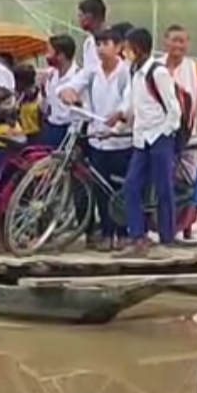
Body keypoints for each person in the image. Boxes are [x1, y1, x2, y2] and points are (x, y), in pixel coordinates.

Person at [59, 27, 133, 251]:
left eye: (106, 44)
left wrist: (119, 116)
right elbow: (69, 87)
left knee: (121, 188)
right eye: (98, 44)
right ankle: (107, 233)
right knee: (100, 188)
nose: (101, 49)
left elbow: (130, 101)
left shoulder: (126, 72)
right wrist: (67, 93)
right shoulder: (91, 72)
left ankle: (124, 233)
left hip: (121, 140)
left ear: (119, 47)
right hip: (97, 139)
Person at [116, 28, 181, 258]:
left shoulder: (158, 73)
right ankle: (138, 237)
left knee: (164, 189)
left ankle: (167, 239)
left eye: (126, 48)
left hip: (159, 137)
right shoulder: (135, 72)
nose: (124, 53)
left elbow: (174, 110)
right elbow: (135, 107)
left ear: (138, 49)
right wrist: (118, 124)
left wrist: (164, 133)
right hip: (141, 139)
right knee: (131, 186)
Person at [40, 34, 81, 148]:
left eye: (49, 52)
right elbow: (46, 106)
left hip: (69, 130)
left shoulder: (79, 78)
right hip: (51, 127)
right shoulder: (51, 75)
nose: (46, 56)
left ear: (61, 55)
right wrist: (43, 91)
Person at [76, 0, 107, 72]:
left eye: (80, 16)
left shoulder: (111, 42)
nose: (78, 20)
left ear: (89, 17)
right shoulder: (88, 43)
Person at [12, 64, 41, 141]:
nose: (14, 84)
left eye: (15, 80)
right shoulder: (21, 97)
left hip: (37, 137)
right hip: (24, 136)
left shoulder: (39, 98)